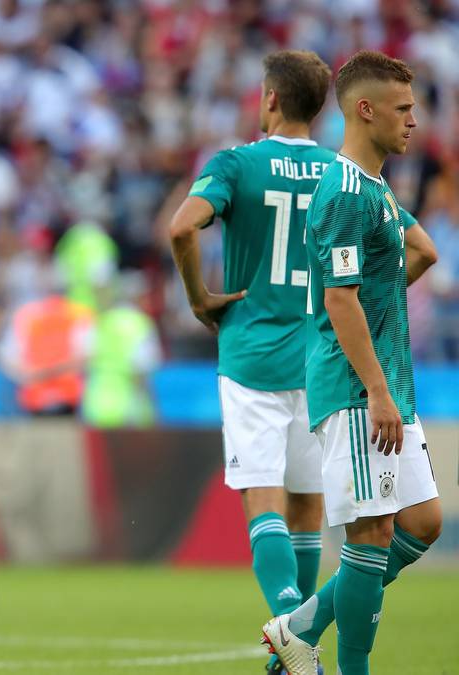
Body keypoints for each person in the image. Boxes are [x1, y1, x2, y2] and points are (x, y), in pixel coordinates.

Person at [262, 50, 442, 675]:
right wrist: (376, 387)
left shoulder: (377, 189)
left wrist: (383, 300)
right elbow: (338, 299)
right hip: (356, 386)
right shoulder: (340, 192)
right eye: (404, 109)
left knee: (423, 521)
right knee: (370, 535)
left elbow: (419, 254)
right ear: (365, 110)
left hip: (386, 381)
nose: (414, 121)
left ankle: (301, 625)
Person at [168, 51, 335, 664]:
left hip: (252, 358)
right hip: (320, 361)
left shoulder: (237, 163)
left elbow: (183, 228)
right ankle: (303, 642)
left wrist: (198, 298)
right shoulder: (343, 174)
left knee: (264, 500)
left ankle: (290, 630)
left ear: (269, 99)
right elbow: (410, 249)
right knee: (308, 506)